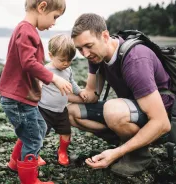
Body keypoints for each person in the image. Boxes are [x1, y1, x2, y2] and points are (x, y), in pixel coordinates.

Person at [67, 13, 174, 177]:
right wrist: (53, 93)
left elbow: (162, 123)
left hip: (159, 115)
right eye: (80, 49)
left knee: (113, 110)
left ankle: (138, 155)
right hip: (132, 109)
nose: (85, 53)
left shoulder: (135, 60)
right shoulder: (96, 56)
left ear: (104, 36)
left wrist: (116, 153)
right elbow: (91, 95)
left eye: (88, 46)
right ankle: (125, 141)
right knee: (71, 113)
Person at [0, 1, 72, 183]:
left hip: (24, 98)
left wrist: (37, 83)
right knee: (33, 139)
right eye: (54, 16)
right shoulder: (26, 30)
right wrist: (53, 78)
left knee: (40, 128)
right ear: (42, 7)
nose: (54, 23)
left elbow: (28, 65)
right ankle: (29, 180)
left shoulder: (28, 31)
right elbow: (28, 63)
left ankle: (16, 163)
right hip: (18, 99)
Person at [38, 34, 85, 166]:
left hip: (61, 110)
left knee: (66, 132)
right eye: (62, 60)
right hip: (44, 110)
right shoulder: (45, 70)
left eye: (70, 60)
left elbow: (72, 83)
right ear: (51, 55)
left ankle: (62, 151)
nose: (66, 63)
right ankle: (35, 154)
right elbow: (36, 85)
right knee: (40, 133)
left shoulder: (68, 69)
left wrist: (79, 91)